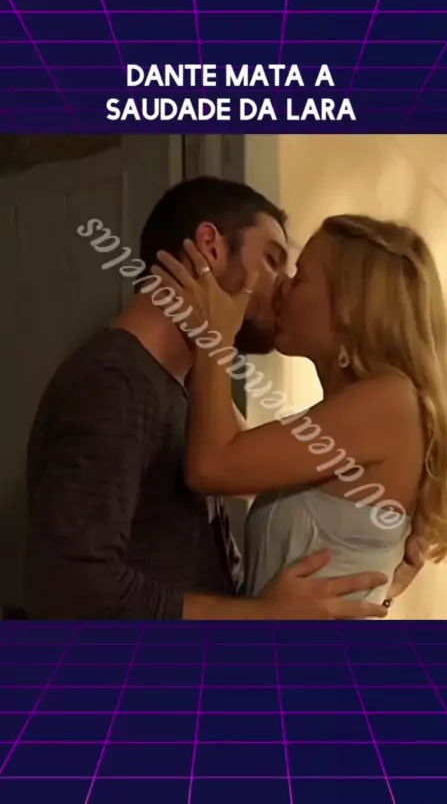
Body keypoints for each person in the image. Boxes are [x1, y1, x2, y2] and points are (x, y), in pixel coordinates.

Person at [25, 179, 399, 620]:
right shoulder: (117, 383)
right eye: (272, 259)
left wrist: (395, 528)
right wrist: (259, 617)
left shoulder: (180, 390)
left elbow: (262, 470)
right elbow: (71, 588)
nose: (284, 287)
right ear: (210, 248)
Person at [152, 213, 447, 606]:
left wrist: (213, 339)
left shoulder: (390, 401)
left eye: (301, 276)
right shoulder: (372, 405)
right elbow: (242, 460)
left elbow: (211, 465)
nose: (282, 285)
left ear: (350, 303)